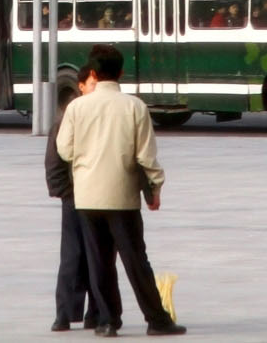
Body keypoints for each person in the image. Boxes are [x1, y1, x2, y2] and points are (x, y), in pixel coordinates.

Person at [56, 45, 187, 337]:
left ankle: (107, 321)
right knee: (135, 260)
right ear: (121, 72)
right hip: (122, 196)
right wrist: (155, 188)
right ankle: (156, 319)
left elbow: (64, 149)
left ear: (93, 73)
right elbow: (146, 156)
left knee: (99, 262)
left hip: (87, 196)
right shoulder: (134, 107)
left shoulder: (77, 107)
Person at [47, 65, 104, 332]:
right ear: (80, 86)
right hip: (75, 197)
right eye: (93, 84)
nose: (96, 89)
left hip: (99, 195)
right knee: (72, 255)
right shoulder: (68, 116)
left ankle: (94, 312)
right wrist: (65, 193)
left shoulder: (102, 114)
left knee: (97, 256)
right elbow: (54, 160)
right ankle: (65, 313)